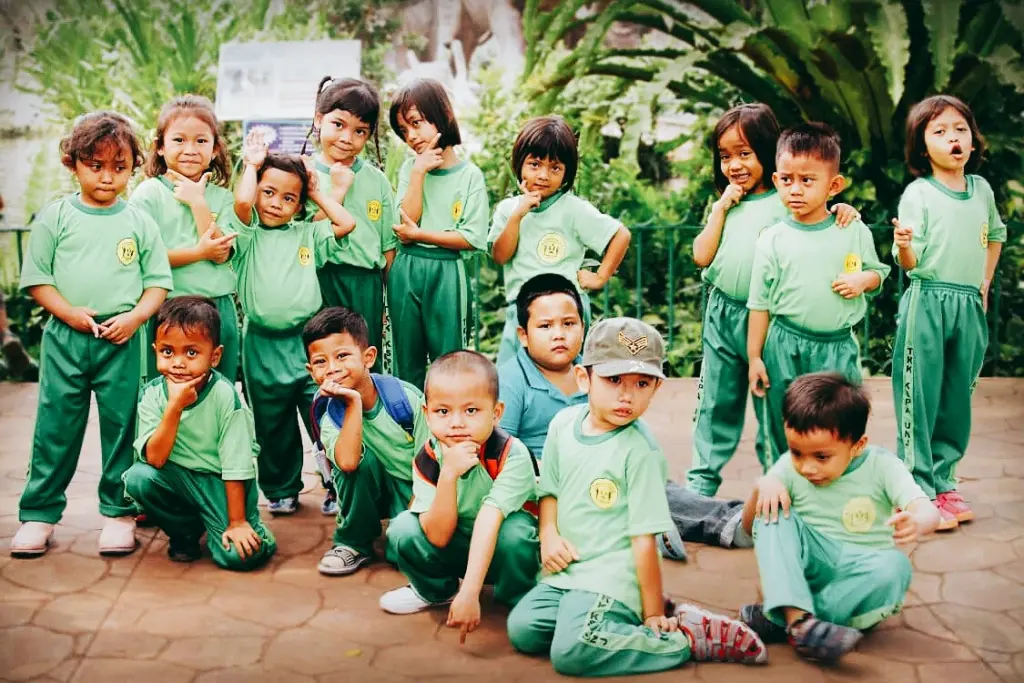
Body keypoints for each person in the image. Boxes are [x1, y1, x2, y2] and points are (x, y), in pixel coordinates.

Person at [506, 318, 768, 676]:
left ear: (656, 388)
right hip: (568, 572)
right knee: (523, 630)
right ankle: (620, 621)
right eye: (613, 380)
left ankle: (685, 638)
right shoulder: (562, 425)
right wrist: (549, 535)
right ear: (584, 379)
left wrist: (652, 614)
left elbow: (644, 542)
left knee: (572, 653)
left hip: (611, 576)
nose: (626, 396)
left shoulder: (639, 451)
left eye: (641, 383)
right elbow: (549, 490)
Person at [11, 111, 173, 557]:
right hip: (66, 339)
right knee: (56, 427)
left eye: (119, 168)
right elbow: (38, 280)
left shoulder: (138, 220)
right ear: (73, 164)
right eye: (95, 166)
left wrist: (136, 318)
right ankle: (39, 515)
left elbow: (157, 282)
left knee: (122, 426)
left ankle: (119, 513)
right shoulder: (55, 216)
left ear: (133, 168)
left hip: (121, 340)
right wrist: (69, 313)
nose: (107, 177)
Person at [499, 273, 748, 556]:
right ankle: (646, 533)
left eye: (569, 324)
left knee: (659, 490)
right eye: (545, 326)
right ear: (523, 335)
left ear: (583, 327)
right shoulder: (511, 380)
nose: (559, 334)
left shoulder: (597, 371)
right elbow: (504, 449)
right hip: (548, 483)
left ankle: (733, 520)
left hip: (612, 465)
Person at [688, 104, 862, 495]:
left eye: (744, 153)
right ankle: (701, 482)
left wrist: (844, 210)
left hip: (765, 318)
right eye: (725, 155)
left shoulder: (788, 197)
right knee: (715, 400)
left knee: (773, 407)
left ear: (767, 151)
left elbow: (822, 213)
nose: (734, 164)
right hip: (723, 311)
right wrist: (719, 208)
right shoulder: (726, 204)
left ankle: (782, 480)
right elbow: (701, 255)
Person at [740, 372, 940, 663]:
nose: (807, 468)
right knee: (775, 514)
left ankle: (785, 617)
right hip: (810, 566)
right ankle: (798, 622)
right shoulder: (786, 469)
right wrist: (762, 488)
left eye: (821, 457)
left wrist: (918, 521)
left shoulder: (883, 467)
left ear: (857, 445)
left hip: (857, 580)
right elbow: (749, 528)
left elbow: (929, 510)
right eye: (797, 453)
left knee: (896, 566)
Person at [891, 95, 1006, 530]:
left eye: (959, 129)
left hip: (968, 304)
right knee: (920, 398)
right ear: (923, 147)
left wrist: (985, 282)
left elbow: (996, 235)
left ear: (972, 140)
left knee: (956, 398)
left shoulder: (982, 191)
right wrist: (903, 244)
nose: (952, 138)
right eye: (939, 132)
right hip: (928, 300)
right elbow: (911, 263)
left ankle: (945, 482)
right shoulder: (917, 194)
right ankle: (916, 488)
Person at [747, 122, 890, 464]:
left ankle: (837, 488)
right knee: (784, 423)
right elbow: (759, 304)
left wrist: (863, 281)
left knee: (840, 422)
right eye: (786, 179)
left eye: (807, 180)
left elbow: (878, 273)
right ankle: (782, 491)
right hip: (784, 345)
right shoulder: (772, 238)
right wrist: (755, 357)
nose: (794, 189)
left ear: (834, 185)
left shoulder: (851, 228)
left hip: (837, 347)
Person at [229, 129, 356, 515]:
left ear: (300, 204)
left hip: (307, 343)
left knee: (322, 412)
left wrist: (317, 191)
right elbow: (241, 201)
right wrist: (252, 164)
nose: (276, 203)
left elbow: (346, 223)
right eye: (268, 192)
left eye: (289, 198)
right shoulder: (247, 235)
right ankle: (281, 487)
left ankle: (336, 485)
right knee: (271, 422)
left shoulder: (306, 233)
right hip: (262, 344)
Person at [381, 350, 539, 631]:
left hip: (501, 547)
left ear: (496, 413)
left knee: (517, 533)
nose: (456, 423)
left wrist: (471, 592)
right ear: (427, 415)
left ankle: (517, 598)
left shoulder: (510, 455)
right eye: (443, 411)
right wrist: (448, 476)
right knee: (404, 528)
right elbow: (438, 536)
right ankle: (435, 591)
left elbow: (490, 518)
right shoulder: (428, 457)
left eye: (471, 410)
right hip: (456, 542)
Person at [123, 296, 276, 569]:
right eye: (168, 352)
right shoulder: (152, 394)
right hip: (178, 478)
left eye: (191, 353)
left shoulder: (225, 396)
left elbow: (236, 464)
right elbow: (155, 459)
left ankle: (255, 530)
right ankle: (185, 532)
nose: (178, 363)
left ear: (214, 356)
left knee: (240, 558)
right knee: (138, 478)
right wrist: (174, 407)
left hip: (222, 482)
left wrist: (238, 522)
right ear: (156, 350)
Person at [489, 115, 630, 365]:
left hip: (564, 314)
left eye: (554, 168)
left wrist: (600, 276)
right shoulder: (508, 209)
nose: (543, 175)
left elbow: (621, 234)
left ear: (566, 173)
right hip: (522, 312)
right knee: (511, 380)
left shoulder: (574, 209)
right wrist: (518, 215)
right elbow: (500, 256)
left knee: (567, 382)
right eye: (534, 164)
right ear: (519, 163)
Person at [303, 306, 430, 575]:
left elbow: (432, 465)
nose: (333, 369)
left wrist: (414, 517)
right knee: (358, 463)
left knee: (403, 553)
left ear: (368, 357)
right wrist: (353, 403)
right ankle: (354, 543)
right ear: (310, 369)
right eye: (320, 362)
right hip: (367, 488)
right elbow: (348, 463)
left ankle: (402, 527)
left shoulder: (405, 399)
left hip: (414, 488)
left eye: (342, 356)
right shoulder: (325, 411)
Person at [131, 95, 240, 385]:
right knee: (166, 394)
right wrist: (197, 252)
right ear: (160, 146)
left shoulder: (223, 197)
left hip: (217, 308)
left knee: (219, 390)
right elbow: (145, 257)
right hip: (167, 307)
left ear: (215, 149)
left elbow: (221, 253)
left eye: (201, 141)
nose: (190, 150)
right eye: (179, 140)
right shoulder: (149, 194)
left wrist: (198, 203)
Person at [387, 78, 489, 388]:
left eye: (416, 123)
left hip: (447, 271)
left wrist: (421, 235)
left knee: (451, 360)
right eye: (404, 130)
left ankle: (450, 429)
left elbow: (471, 238)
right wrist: (418, 172)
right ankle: (411, 431)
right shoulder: (409, 170)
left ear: (440, 114)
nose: (412, 136)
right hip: (406, 269)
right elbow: (406, 225)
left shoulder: (469, 175)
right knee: (406, 361)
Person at [305, 77, 397, 373]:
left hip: (365, 283)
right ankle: (327, 419)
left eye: (360, 131)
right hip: (319, 280)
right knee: (324, 363)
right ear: (319, 119)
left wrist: (388, 301)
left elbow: (388, 248)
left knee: (363, 364)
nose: (347, 138)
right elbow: (306, 234)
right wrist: (336, 193)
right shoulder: (303, 174)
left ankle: (367, 418)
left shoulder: (376, 180)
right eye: (339, 125)